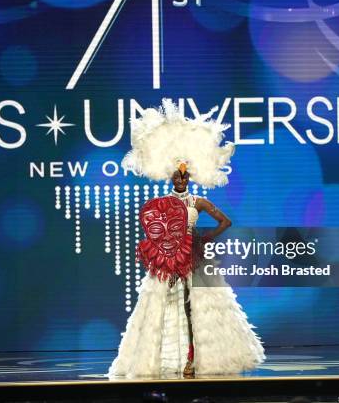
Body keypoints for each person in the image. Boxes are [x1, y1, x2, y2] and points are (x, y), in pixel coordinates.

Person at [107, 99, 265, 378]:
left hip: (193, 260)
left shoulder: (199, 202)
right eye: (176, 178)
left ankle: (194, 359)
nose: (180, 181)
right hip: (169, 261)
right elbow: (154, 228)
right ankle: (161, 360)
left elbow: (225, 221)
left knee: (196, 308)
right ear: (171, 179)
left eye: (184, 177)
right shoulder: (162, 203)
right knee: (160, 307)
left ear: (189, 178)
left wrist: (205, 238)